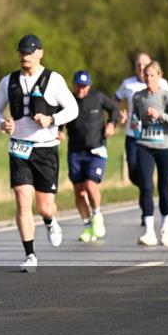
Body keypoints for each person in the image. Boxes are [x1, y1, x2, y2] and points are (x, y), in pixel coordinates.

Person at [0, 34, 79, 272]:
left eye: (29, 52)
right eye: (21, 52)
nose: (24, 56)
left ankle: (49, 221)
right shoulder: (8, 81)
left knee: (45, 207)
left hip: (46, 149)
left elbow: (73, 108)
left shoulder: (54, 80)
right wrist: (2, 123)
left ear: (40, 53)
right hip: (19, 147)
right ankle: (30, 255)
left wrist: (52, 119)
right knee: (22, 199)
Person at [130, 61, 168, 247]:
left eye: (152, 75)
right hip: (144, 145)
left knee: (163, 189)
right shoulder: (137, 97)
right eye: (146, 75)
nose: (149, 78)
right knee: (146, 186)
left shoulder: (166, 96)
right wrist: (134, 123)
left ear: (160, 76)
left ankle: (165, 227)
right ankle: (148, 231)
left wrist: (160, 115)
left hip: (166, 148)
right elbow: (135, 118)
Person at [60, 70, 119, 242]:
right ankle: (87, 226)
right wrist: (59, 131)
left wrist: (111, 125)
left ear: (89, 86)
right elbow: (59, 118)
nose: (81, 90)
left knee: (90, 186)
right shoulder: (67, 100)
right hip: (75, 151)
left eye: (84, 86)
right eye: (78, 85)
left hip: (96, 150)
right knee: (79, 192)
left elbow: (114, 110)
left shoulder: (98, 97)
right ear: (73, 84)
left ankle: (97, 215)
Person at [115, 53, 168, 225]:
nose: (141, 67)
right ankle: (146, 188)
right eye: (138, 64)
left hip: (155, 136)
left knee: (147, 181)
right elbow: (116, 99)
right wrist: (120, 114)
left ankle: (147, 212)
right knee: (133, 173)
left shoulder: (163, 84)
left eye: (144, 64)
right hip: (133, 135)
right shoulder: (128, 84)